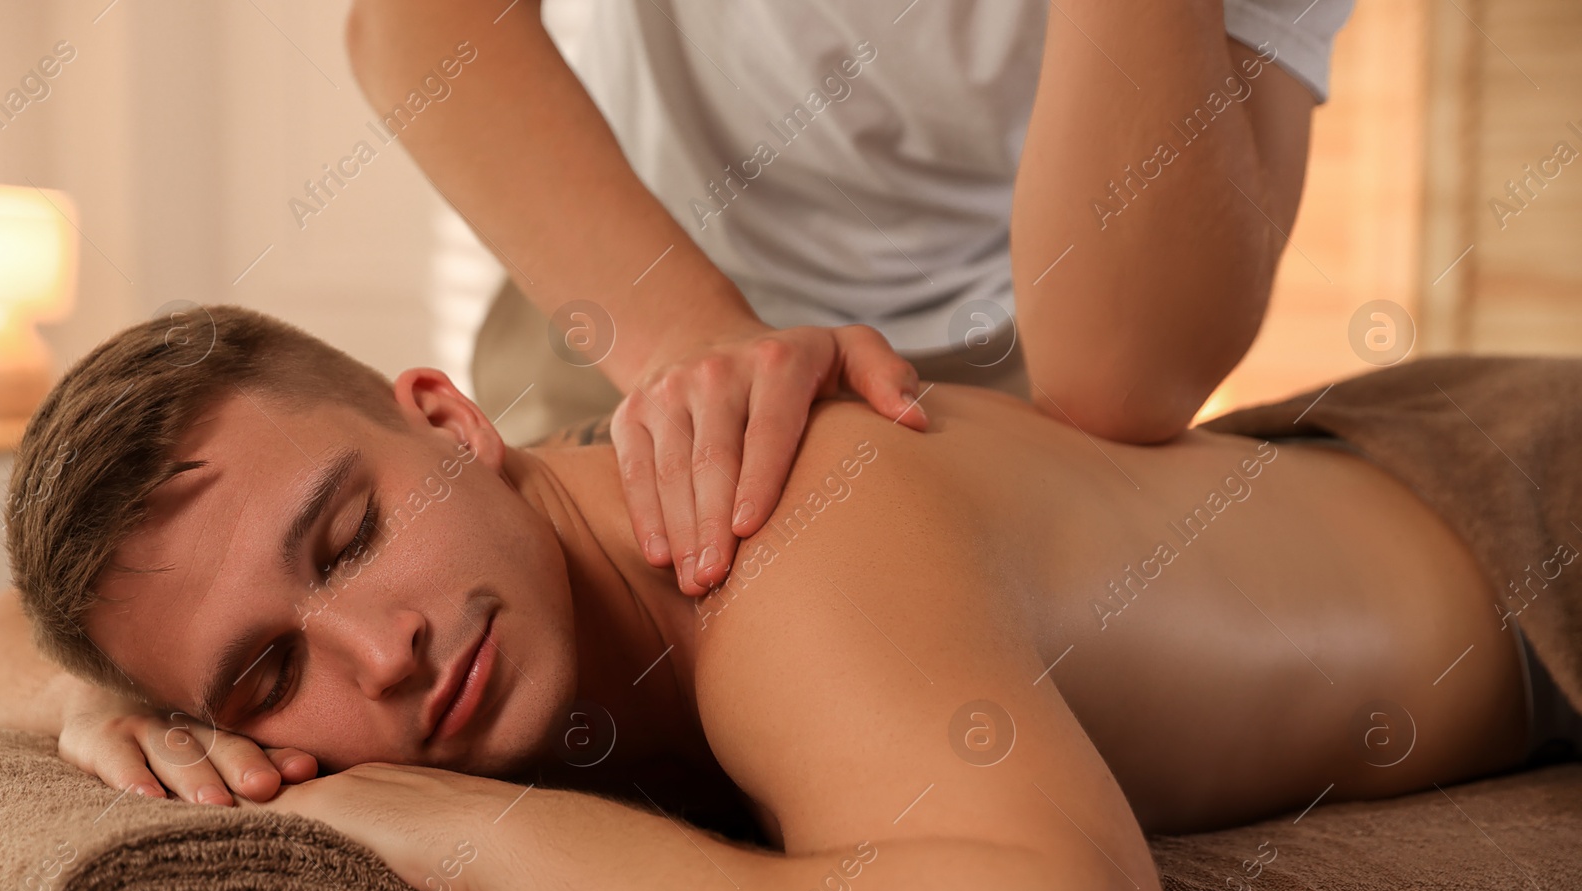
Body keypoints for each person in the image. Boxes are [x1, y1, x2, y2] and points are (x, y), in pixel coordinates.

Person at [0, 306, 1550, 891]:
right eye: (270, 666)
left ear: (450, 419)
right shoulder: (440, 616)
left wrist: (486, 838)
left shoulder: (775, 528)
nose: (375, 649)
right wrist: (80, 701)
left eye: (348, 536)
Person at [344, 0, 1354, 599]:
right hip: (619, 304)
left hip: (1007, 384)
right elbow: (415, 23)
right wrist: (695, 344)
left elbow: (1124, 371)